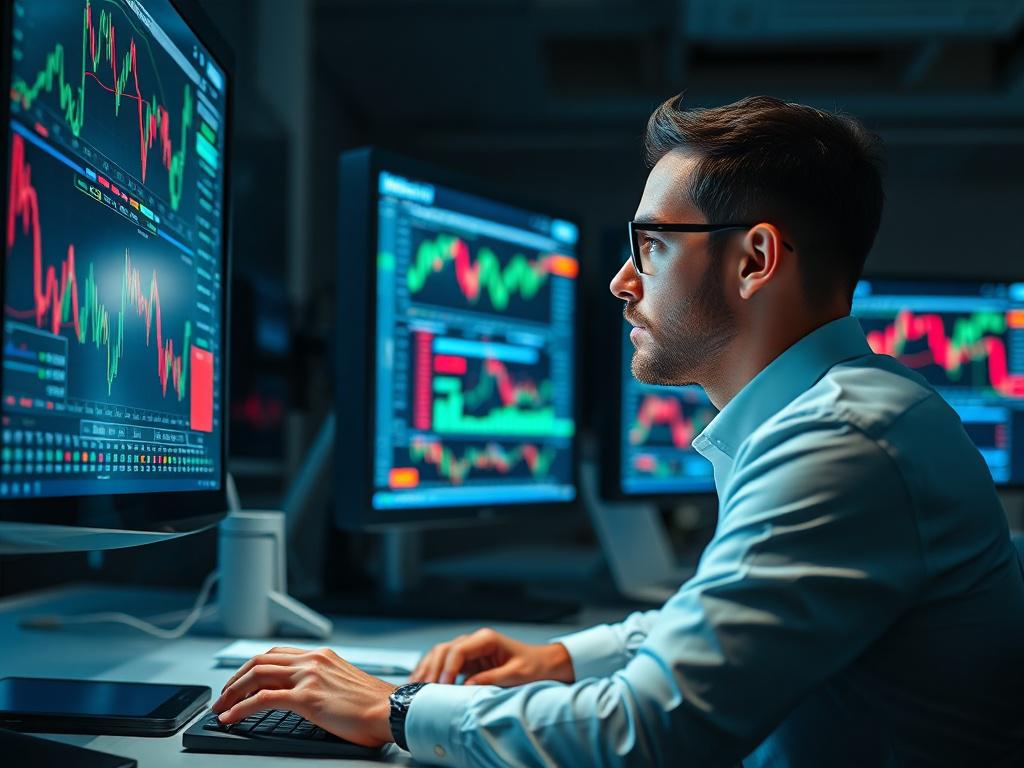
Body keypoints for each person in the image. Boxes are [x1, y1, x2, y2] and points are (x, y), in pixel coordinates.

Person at [212, 95, 1024, 766]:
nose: (621, 279)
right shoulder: (845, 413)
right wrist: (564, 658)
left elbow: (650, 732)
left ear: (755, 260)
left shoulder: (841, 440)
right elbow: (728, 621)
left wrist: (397, 708)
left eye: (653, 245)